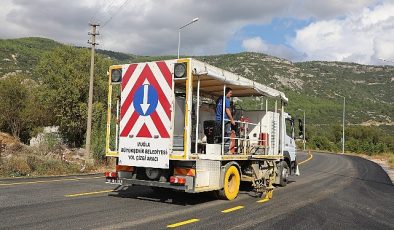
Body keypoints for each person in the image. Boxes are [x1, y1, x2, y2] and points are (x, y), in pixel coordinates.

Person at [215, 88, 236, 154]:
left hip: (218, 119)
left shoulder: (219, 99)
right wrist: (232, 120)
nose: (231, 95)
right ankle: (225, 151)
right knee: (226, 134)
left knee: (219, 134)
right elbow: (227, 110)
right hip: (225, 120)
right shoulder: (226, 99)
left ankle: (217, 150)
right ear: (226, 93)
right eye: (230, 93)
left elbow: (215, 108)